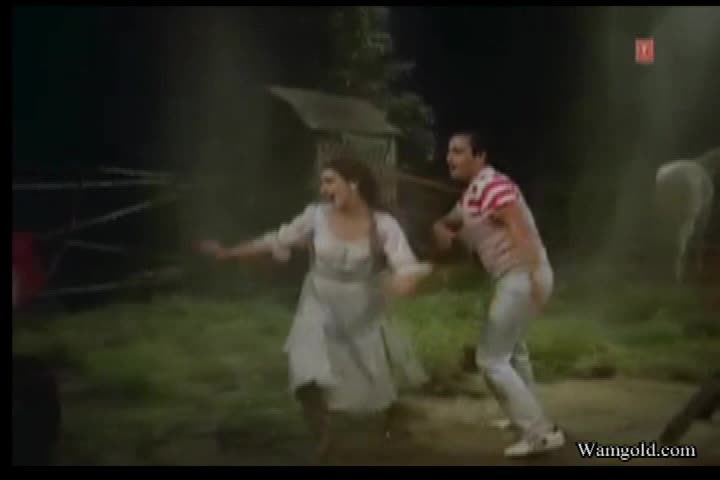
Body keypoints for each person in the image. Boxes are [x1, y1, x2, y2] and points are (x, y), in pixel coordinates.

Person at [199, 154, 431, 459]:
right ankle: (323, 437)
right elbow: (278, 239)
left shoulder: (382, 224)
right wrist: (230, 253)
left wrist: (404, 282)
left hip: (360, 309)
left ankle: (392, 415)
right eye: (322, 183)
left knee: (368, 379)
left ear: (353, 184)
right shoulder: (316, 216)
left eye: (330, 181)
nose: (323, 189)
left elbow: (406, 265)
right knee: (305, 370)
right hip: (318, 302)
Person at [432, 130, 565, 457]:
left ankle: (540, 433)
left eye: (458, 151)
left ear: (480, 156)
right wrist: (442, 227)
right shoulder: (473, 194)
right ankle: (525, 415)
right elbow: (451, 220)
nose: (450, 158)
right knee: (514, 352)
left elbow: (522, 232)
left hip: (521, 276)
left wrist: (534, 279)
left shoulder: (494, 186)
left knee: (491, 359)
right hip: (514, 278)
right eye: (449, 151)